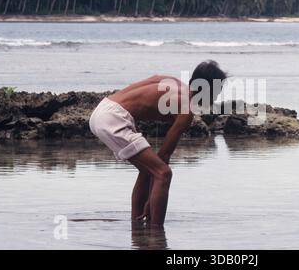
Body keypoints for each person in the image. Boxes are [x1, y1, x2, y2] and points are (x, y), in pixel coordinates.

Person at [89, 61, 227, 227]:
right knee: (163, 173)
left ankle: (137, 226)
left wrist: (153, 195)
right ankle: (156, 235)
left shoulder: (173, 82)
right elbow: (164, 155)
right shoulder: (186, 109)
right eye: (217, 92)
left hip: (103, 108)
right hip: (113, 119)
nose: (217, 97)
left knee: (149, 171)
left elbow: (151, 82)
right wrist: (152, 200)